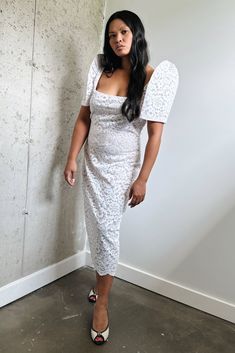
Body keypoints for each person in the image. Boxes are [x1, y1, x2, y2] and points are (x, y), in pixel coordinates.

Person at [64, 9, 179, 345]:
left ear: (136, 34)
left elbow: (155, 135)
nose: (117, 39)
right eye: (112, 34)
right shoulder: (102, 68)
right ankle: (101, 283)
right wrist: (72, 157)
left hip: (120, 169)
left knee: (107, 230)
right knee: (95, 225)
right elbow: (84, 117)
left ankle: (102, 301)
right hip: (92, 163)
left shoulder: (151, 77)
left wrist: (142, 178)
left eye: (124, 32)